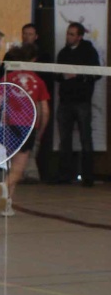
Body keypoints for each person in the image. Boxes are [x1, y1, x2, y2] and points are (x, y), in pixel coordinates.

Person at [0, 44, 50, 216]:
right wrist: (40, 130)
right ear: (32, 60)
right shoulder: (38, 81)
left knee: (12, 165)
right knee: (19, 169)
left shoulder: (8, 77)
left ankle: (7, 204)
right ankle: (5, 185)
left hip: (10, 127)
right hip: (28, 128)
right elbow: (45, 110)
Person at [55, 22, 100, 187]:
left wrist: (78, 76)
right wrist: (63, 76)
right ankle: (64, 175)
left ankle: (88, 176)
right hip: (65, 101)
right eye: (68, 33)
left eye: (72, 34)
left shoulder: (89, 52)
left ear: (80, 37)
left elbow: (98, 73)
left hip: (82, 101)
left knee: (85, 139)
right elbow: (56, 75)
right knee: (64, 140)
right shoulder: (63, 53)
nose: (69, 37)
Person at [19, 23, 53, 182]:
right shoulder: (12, 58)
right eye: (24, 33)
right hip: (16, 106)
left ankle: (31, 172)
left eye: (30, 34)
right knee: (18, 142)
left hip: (35, 103)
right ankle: (19, 173)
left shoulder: (44, 57)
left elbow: (44, 105)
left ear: (36, 36)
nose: (27, 36)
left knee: (33, 140)